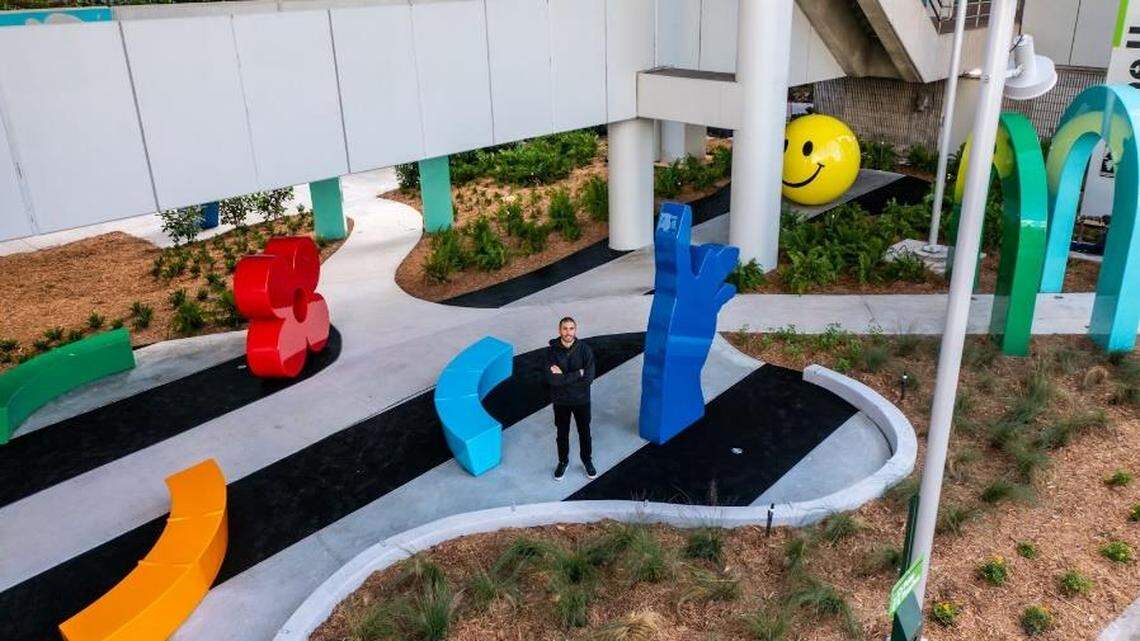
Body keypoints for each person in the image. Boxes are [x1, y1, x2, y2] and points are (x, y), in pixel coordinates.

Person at [545, 316, 596, 481]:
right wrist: (578, 373)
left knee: (585, 432)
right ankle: (563, 461)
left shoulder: (585, 350)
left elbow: (588, 379)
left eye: (571, 328)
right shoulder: (551, 352)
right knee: (562, 434)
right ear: (559, 330)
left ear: (575, 330)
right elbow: (552, 380)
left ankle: (587, 460)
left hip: (582, 401)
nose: (568, 332)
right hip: (561, 402)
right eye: (565, 328)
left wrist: (564, 377)